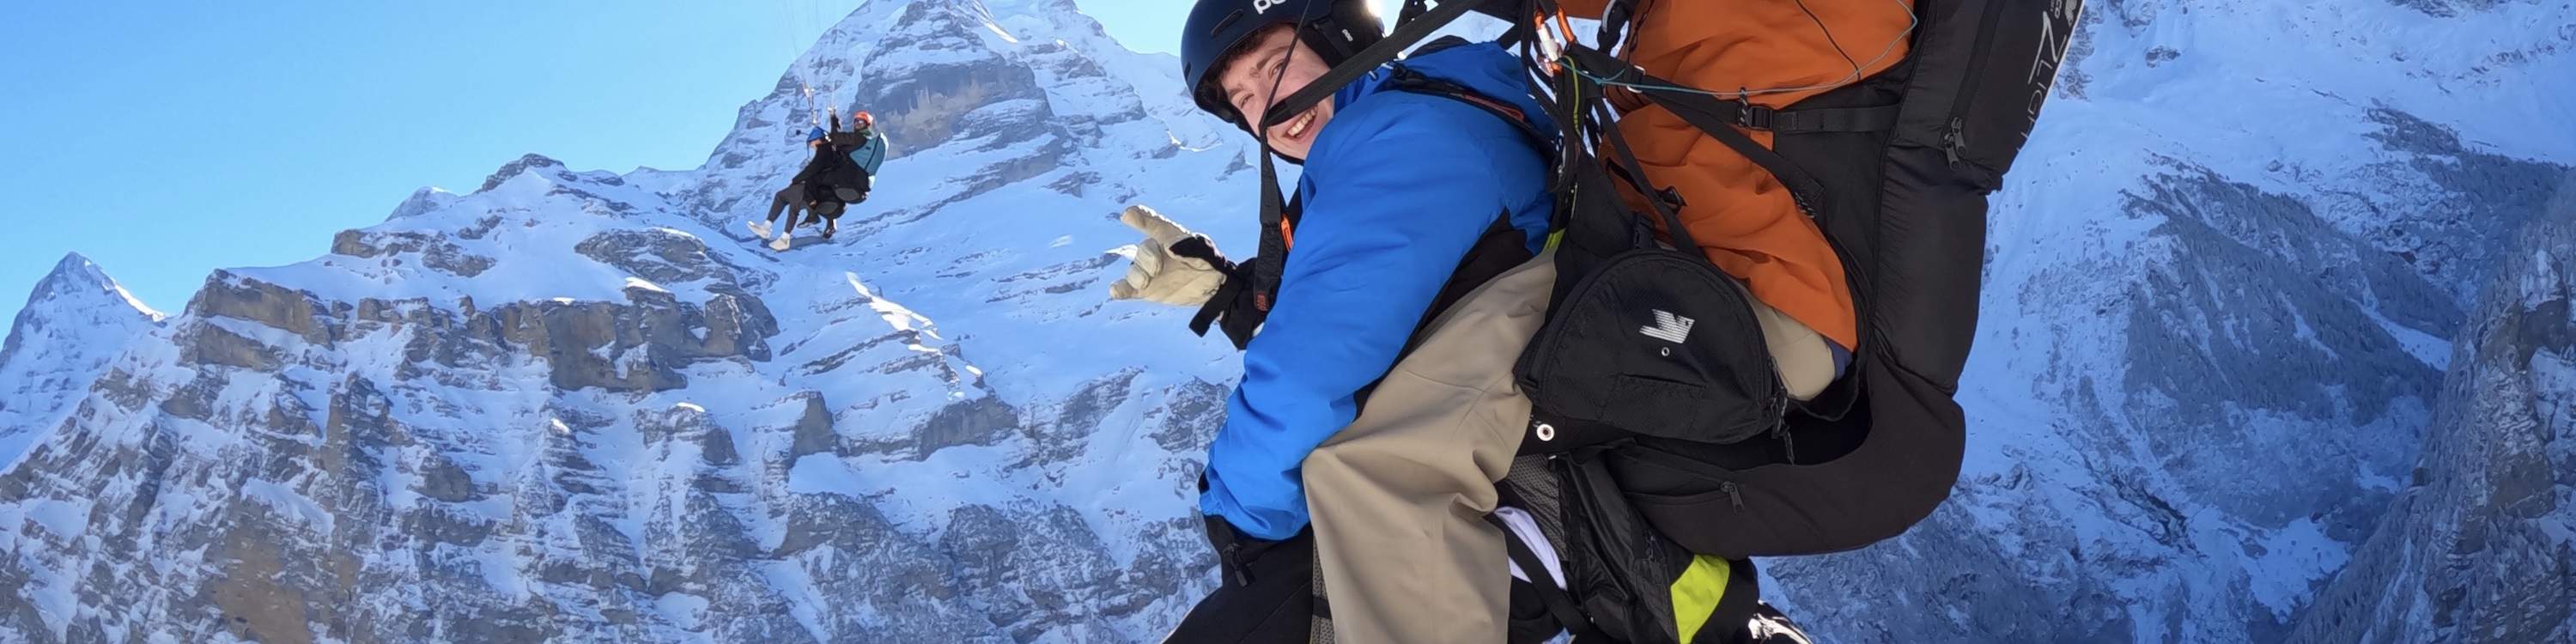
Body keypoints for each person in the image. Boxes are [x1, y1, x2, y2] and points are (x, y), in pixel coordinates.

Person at [1121, 0, 1558, 641]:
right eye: (1242, 97)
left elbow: (1307, 374)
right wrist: (1235, 293)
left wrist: (1236, 516)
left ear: (1341, 38)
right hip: (1489, 466)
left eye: (1276, 67)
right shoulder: (1406, 119)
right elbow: (1394, 299)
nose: (1266, 106)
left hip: (1511, 497)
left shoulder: (1404, 139)